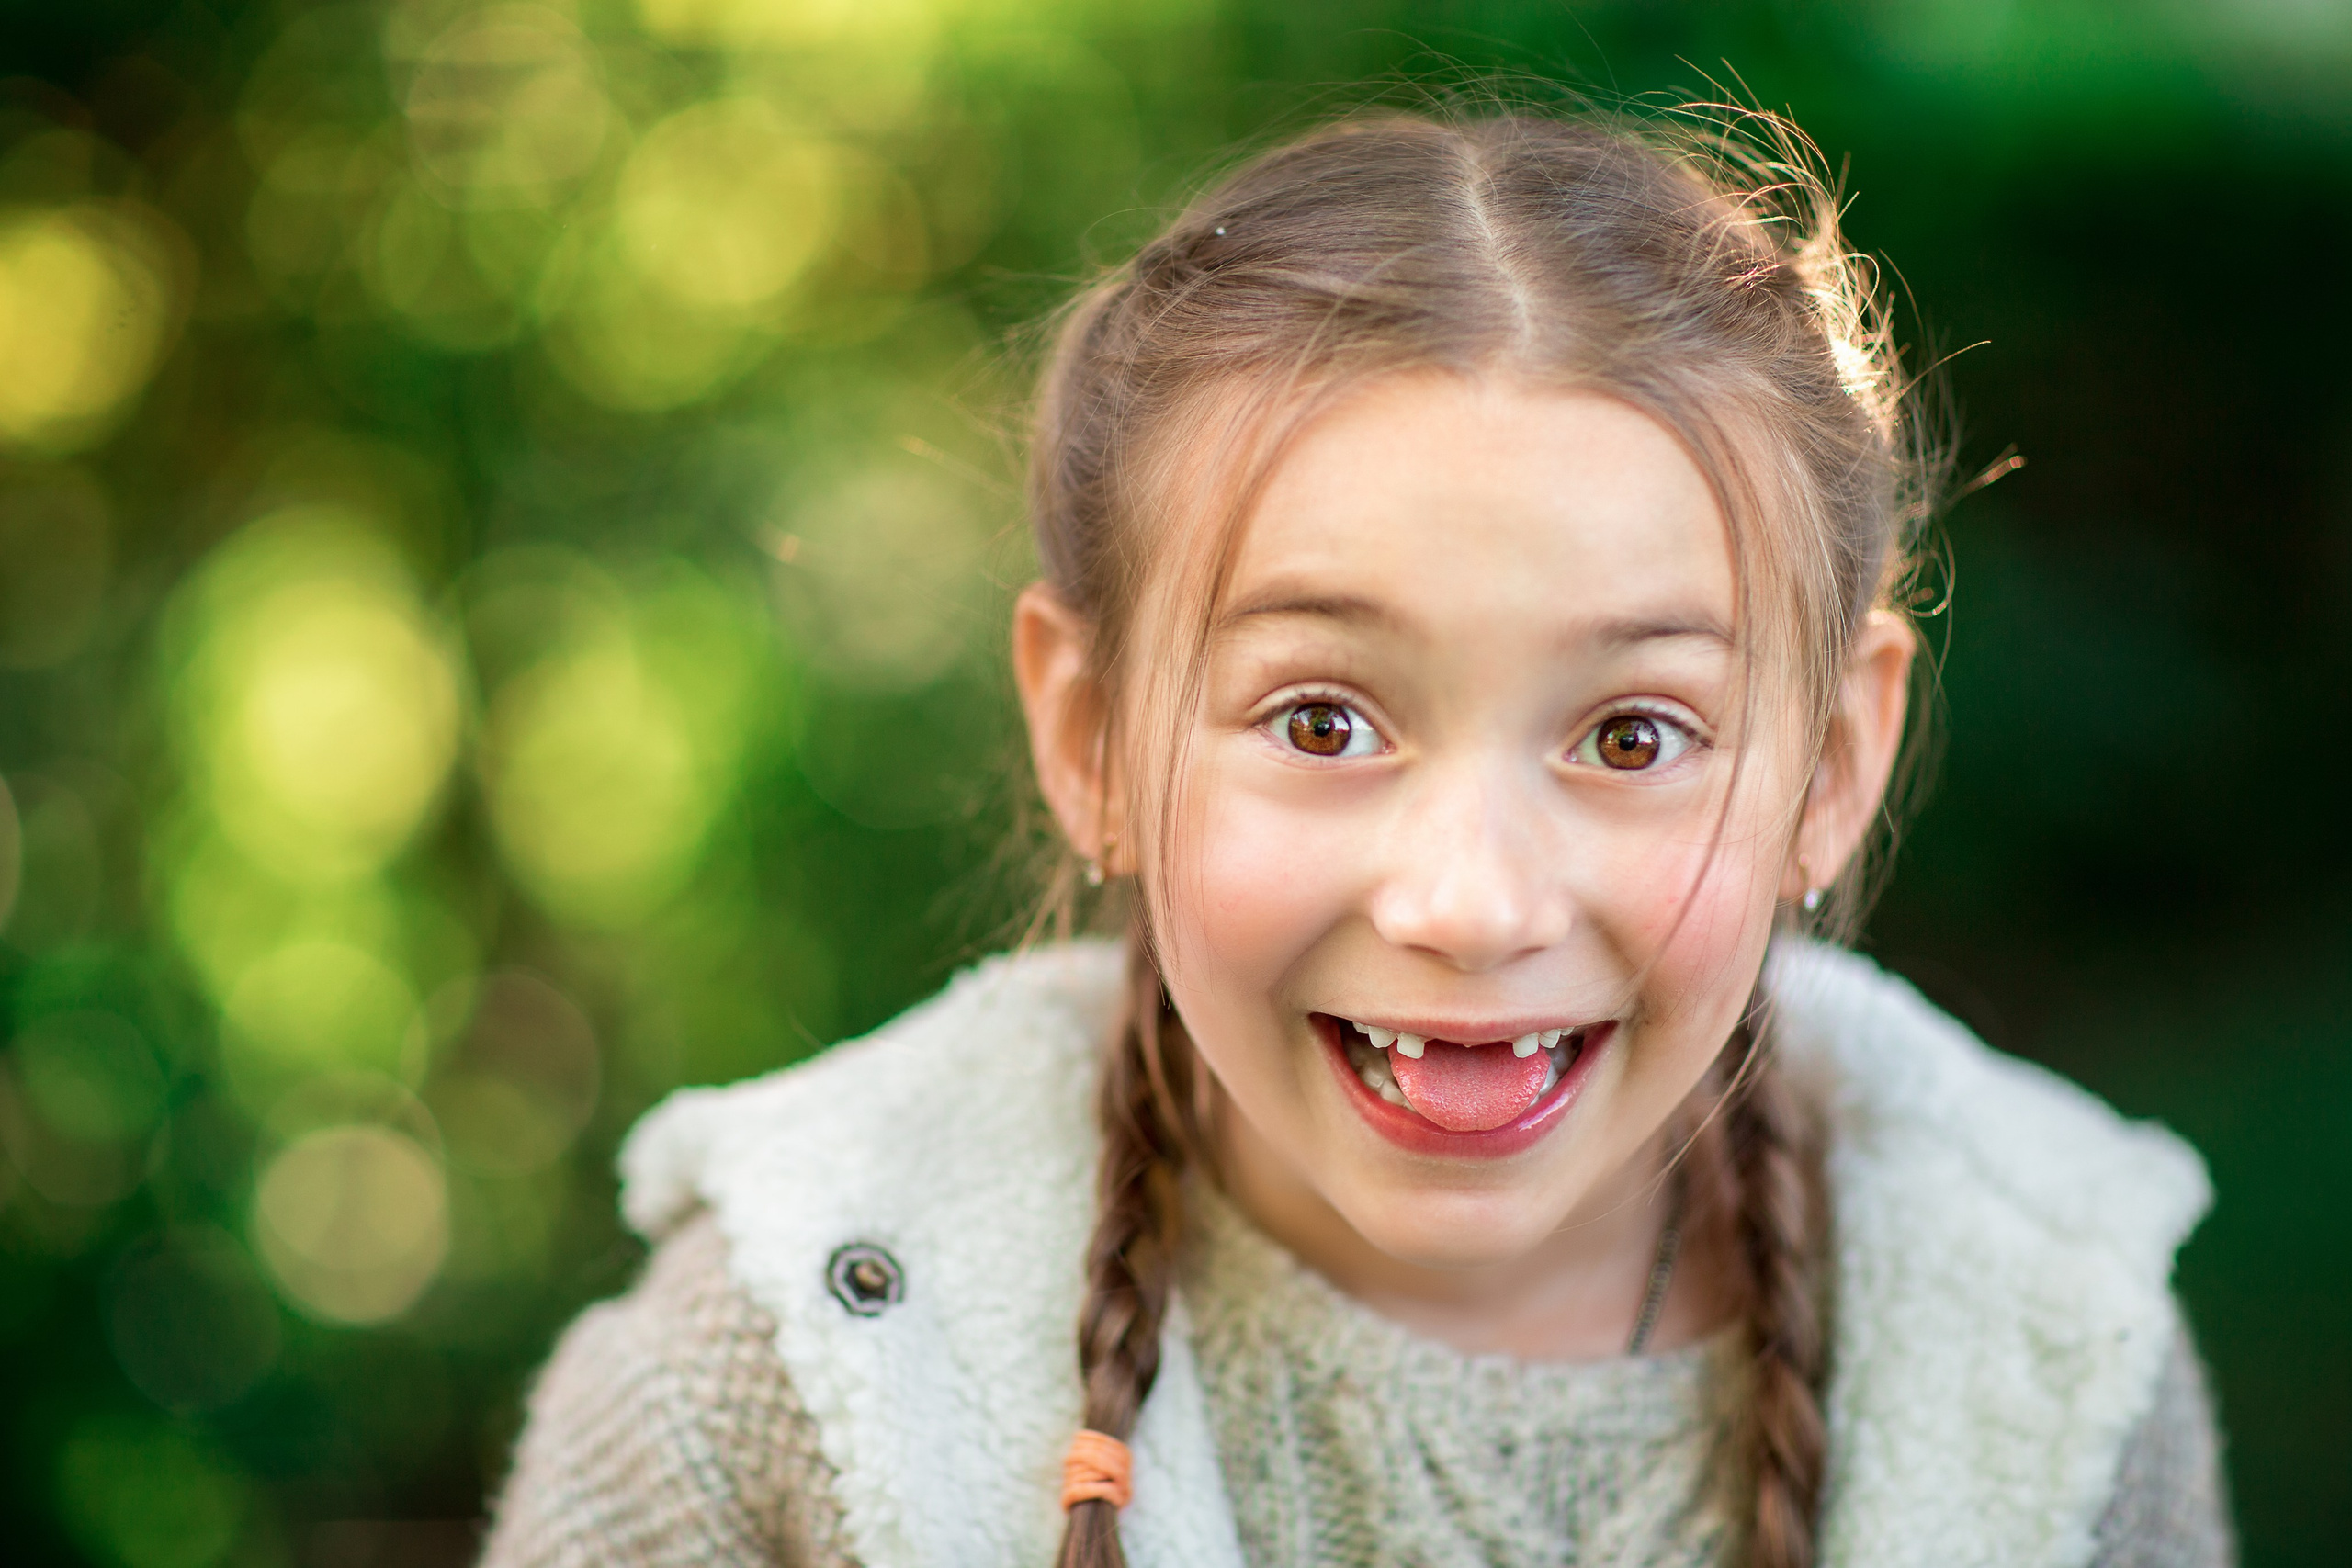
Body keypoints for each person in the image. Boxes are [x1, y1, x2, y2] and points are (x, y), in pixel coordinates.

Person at [479, 107, 2232, 1568]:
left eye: (1633, 734)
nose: (1471, 902)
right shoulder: (769, 1387)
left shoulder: (2058, 1373)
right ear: (1091, 738)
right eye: (1323, 721)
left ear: (1832, 763)